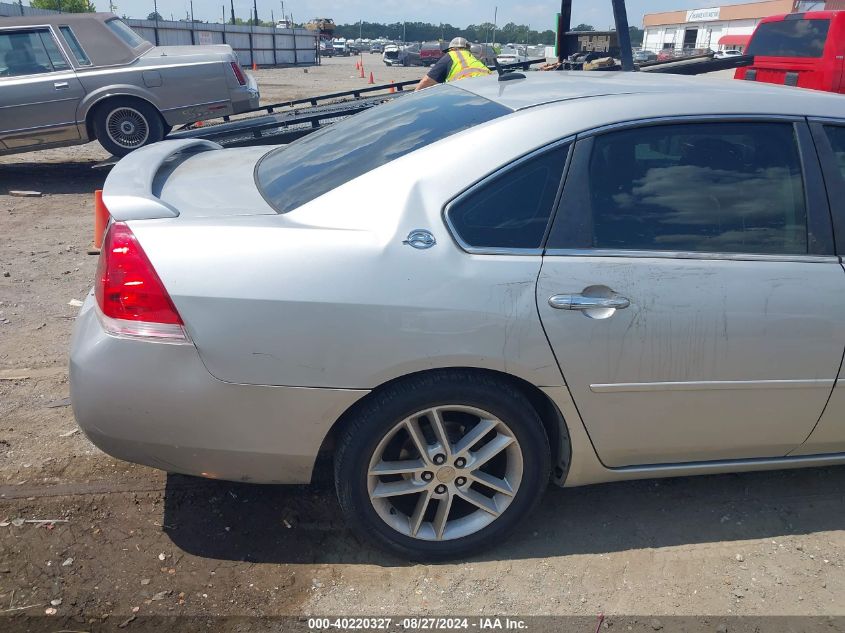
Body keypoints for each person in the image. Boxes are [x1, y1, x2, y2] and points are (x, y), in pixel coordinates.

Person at [414, 37, 491, 91]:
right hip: (488, 86)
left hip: (466, 89)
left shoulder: (451, 55)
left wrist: (413, 97)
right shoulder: (471, 57)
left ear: (452, 48)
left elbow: (426, 81)